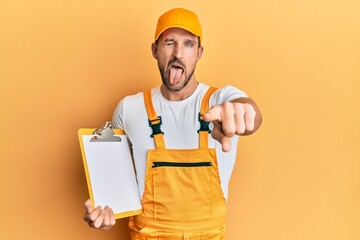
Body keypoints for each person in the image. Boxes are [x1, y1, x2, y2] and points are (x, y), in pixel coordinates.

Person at [83, 8, 262, 239]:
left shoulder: (220, 100)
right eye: (169, 43)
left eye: (188, 44)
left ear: (199, 52)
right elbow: (113, 187)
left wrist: (242, 112)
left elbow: (251, 113)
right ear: (155, 50)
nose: (178, 53)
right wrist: (104, 214)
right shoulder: (129, 109)